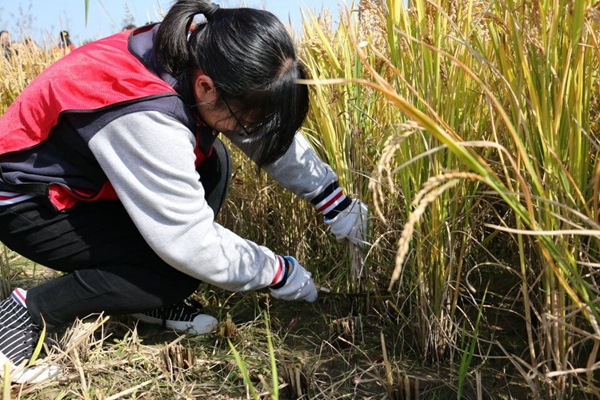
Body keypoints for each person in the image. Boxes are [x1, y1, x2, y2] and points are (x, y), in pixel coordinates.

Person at [0, 0, 368, 383]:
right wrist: (278, 272)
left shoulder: (199, 51)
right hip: (24, 201)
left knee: (213, 161)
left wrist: (334, 201)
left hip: (85, 186)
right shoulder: (144, 109)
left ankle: (149, 300)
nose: (250, 129)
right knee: (177, 272)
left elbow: (263, 134)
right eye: (247, 118)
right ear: (206, 87)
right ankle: (25, 315)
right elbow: (190, 243)